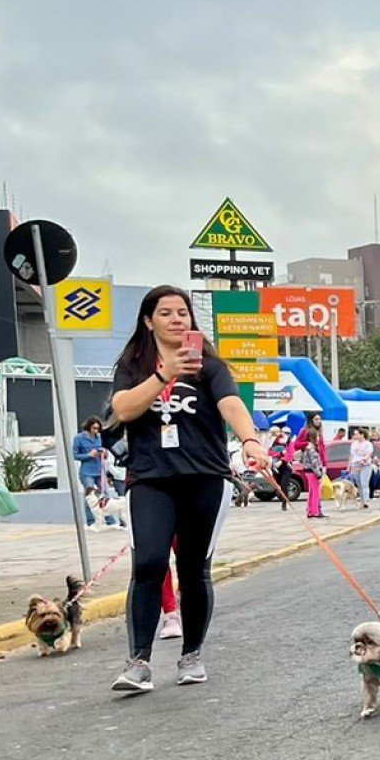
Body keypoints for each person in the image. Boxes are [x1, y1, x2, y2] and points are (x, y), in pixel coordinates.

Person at [105, 287, 271, 693]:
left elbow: (231, 404)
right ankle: (138, 662)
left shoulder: (210, 366)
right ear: (149, 320)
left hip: (205, 478)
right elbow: (122, 410)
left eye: (183, 312)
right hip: (150, 479)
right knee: (148, 565)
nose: (177, 319)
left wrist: (250, 440)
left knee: (194, 568)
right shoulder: (132, 364)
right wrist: (164, 374)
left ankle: (191, 654)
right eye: (166, 313)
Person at [290, 413, 327, 518]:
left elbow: (323, 449)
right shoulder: (306, 431)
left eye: (320, 419)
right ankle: (315, 511)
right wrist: (307, 444)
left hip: (318, 463)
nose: (318, 421)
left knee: (313, 490)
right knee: (315, 490)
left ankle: (313, 510)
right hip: (312, 465)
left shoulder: (319, 431)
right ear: (311, 420)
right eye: (316, 419)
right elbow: (296, 444)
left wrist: (324, 463)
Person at [73, 415, 109, 522]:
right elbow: (75, 455)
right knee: (90, 496)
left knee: (105, 493)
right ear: (88, 427)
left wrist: (104, 453)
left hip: (99, 470)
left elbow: (106, 451)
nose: (96, 431)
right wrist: (89, 455)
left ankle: (109, 519)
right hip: (87, 471)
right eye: (94, 428)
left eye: (98, 429)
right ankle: (91, 521)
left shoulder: (100, 438)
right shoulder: (79, 438)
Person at [346, 426, 374, 506]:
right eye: (355, 434)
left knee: (364, 482)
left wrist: (364, 460)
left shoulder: (368, 444)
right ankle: (362, 501)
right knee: (359, 484)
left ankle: (366, 501)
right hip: (355, 464)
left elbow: (369, 454)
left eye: (357, 434)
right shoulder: (354, 444)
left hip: (365, 465)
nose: (355, 436)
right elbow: (352, 455)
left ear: (362, 435)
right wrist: (349, 466)